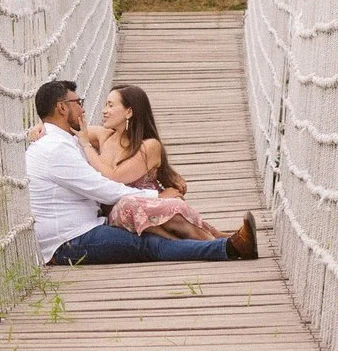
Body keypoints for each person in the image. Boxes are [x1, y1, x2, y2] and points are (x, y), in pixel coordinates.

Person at [25, 79, 257, 267]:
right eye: (78, 102)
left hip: (86, 228)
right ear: (62, 107)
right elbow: (102, 188)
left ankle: (227, 241)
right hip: (70, 242)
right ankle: (226, 248)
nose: (84, 108)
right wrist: (157, 196)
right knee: (147, 244)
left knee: (152, 234)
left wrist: (41, 128)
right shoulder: (56, 147)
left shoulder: (65, 140)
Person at [83, 83, 222, 241]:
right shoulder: (103, 136)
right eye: (105, 105)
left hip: (153, 206)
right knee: (129, 205)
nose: (104, 111)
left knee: (173, 210)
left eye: (110, 105)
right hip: (120, 211)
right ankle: (203, 242)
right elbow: (64, 127)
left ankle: (218, 242)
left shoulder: (149, 146)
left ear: (128, 112)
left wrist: (86, 146)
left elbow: (114, 177)